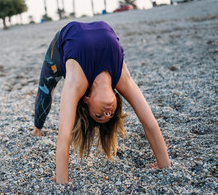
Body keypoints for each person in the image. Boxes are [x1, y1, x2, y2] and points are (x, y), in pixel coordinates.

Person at [31, 21, 171, 184]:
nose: (107, 112)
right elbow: (150, 123)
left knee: (46, 86)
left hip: (62, 41)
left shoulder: (77, 83)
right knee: (46, 88)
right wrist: (164, 164)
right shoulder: (120, 78)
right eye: (111, 114)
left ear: (86, 100)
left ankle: (36, 129)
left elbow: (64, 136)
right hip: (97, 32)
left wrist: (61, 179)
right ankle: (37, 129)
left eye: (99, 115)